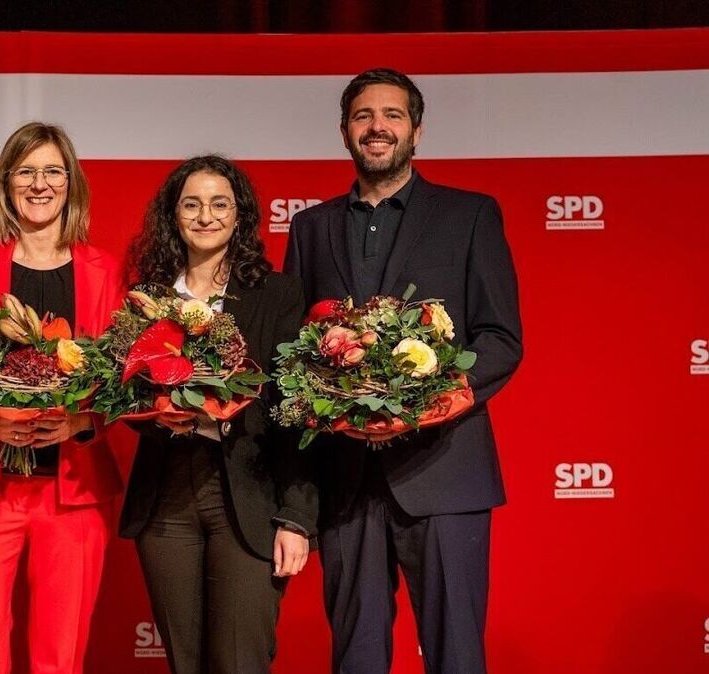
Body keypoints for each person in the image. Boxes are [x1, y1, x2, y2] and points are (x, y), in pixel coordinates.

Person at [283, 68, 523, 674]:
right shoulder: (310, 228)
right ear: (344, 132)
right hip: (346, 479)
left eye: (392, 115)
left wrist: (425, 405)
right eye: (364, 116)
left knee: (456, 657)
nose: (378, 127)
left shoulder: (470, 215)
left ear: (416, 129)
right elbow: (295, 352)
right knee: (356, 657)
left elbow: (499, 340)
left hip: (445, 472)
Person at [0, 121, 123, 674]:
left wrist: (80, 420)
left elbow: (121, 379)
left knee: (61, 657)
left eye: (53, 171)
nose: (40, 184)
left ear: (71, 182)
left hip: (73, 489)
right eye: (26, 171)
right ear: (6, 183)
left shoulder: (104, 271)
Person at [118, 155, 318, 673]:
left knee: (239, 662)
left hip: (249, 492)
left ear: (240, 215)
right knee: (185, 664)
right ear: (173, 215)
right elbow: (122, 393)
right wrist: (150, 411)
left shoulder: (277, 295)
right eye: (192, 204)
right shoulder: (149, 298)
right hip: (166, 495)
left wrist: (297, 516)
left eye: (219, 203)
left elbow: (299, 410)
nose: (206, 216)